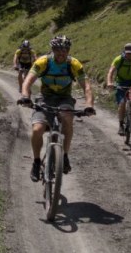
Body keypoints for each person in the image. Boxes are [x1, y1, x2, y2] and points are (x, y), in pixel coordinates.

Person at [18, 35, 95, 182]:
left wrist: (89, 105)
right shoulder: (43, 62)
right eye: (58, 50)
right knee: (37, 129)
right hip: (45, 98)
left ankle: (64, 156)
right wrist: (25, 97)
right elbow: (27, 82)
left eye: (65, 50)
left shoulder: (74, 64)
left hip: (64, 99)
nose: (61, 53)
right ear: (52, 50)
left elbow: (87, 86)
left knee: (67, 118)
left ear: (68, 51)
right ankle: (36, 162)